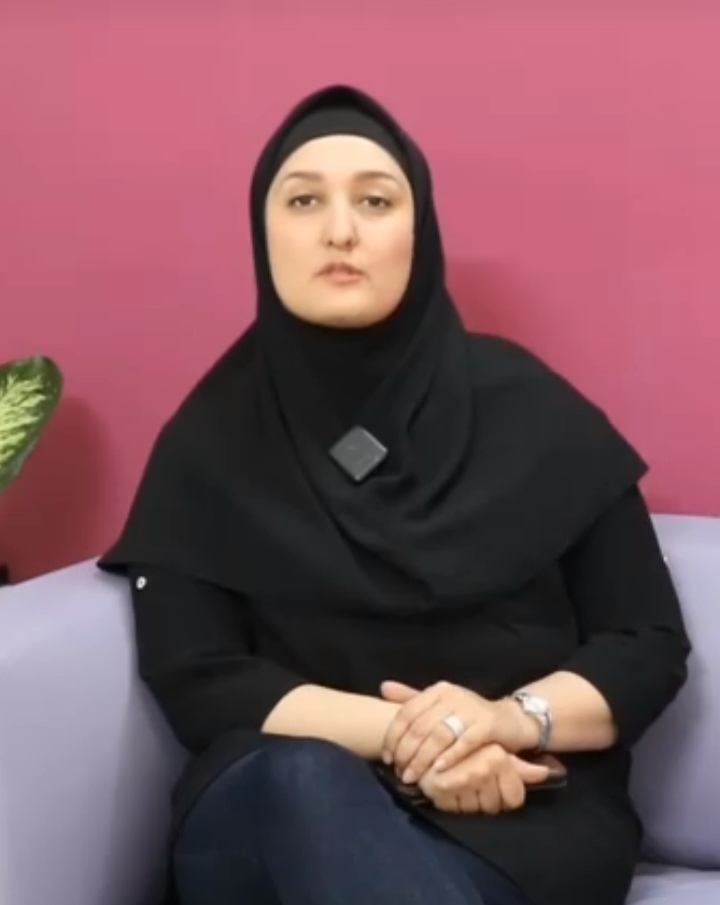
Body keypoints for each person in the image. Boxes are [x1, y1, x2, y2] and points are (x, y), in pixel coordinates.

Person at [98, 84, 691, 905]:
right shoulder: (210, 439)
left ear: (420, 230)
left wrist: (506, 720)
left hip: (519, 804)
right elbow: (199, 675)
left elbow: (645, 641)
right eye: (304, 200)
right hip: (278, 807)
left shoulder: (535, 412)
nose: (339, 230)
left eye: (375, 201)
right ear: (263, 232)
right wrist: (423, 737)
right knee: (301, 783)